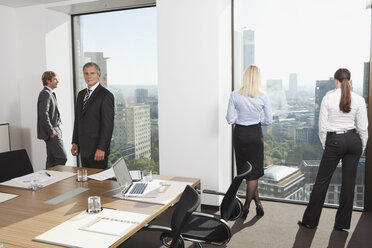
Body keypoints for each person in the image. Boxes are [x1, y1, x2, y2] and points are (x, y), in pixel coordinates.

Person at [298, 68, 368, 231]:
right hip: (353, 140)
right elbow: (363, 127)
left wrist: (327, 144)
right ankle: (342, 224)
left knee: (321, 182)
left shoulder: (328, 98)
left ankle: (310, 221)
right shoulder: (358, 99)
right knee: (349, 184)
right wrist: (363, 145)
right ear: (348, 81)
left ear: (336, 81)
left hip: (334, 141)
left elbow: (322, 127)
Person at [226, 65, 272, 219]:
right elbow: (269, 120)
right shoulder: (263, 96)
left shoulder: (235, 94)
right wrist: (256, 120)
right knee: (253, 174)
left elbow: (229, 119)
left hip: (240, 135)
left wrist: (240, 120)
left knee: (247, 172)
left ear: (245, 77)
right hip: (255, 134)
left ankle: (255, 205)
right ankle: (248, 207)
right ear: (258, 79)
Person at [71, 62, 114, 169]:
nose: (89, 76)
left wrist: (102, 148)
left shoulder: (106, 95)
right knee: (86, 182)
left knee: (98, 183)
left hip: (97, 150)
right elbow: (78, 120)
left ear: (98, 75)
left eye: (92, 73)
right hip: (83, 148)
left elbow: (108, 125)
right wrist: (75, 142)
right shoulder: (81, 95)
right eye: (86, 73)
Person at [37, 71, 67, 168]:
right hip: (52, 131)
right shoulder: (45, 94)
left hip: (54, 129)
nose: (57, 81)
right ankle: (56, 178)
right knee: (62, 157)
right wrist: (51, 131)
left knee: (51, 159)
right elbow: (43, 114)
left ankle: (50, 180)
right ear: (48, 81)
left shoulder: (49, 93)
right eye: (55, 79)